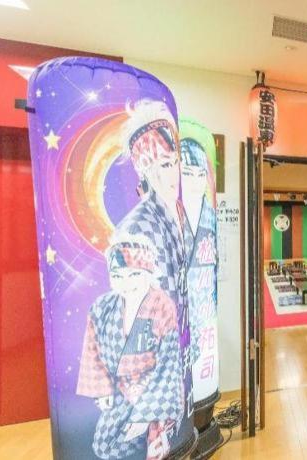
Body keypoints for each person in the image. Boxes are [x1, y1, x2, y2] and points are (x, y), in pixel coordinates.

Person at [115, 98, 192, 420]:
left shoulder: (179, 212)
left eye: (171, 161)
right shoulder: (136, 227)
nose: (170, 174)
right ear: (143, 170)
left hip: (181, 347)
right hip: (155, 358)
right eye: (159, 165)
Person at [76, 235, 183, 460]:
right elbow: (92, 350)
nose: (125, 283)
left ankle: (151, 429)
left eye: (134, 274)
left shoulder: (161, 306)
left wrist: (144, 416)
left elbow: (169, 365)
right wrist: (103, 389)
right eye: (117, 276)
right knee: (104, 444)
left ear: (149, 274)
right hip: (122, 388)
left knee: (156, 444)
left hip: (154, 387)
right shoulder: (102, 307)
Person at [179, 137, 218, 379]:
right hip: (178, 316)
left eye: (199, 173)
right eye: (186, 173)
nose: (194, 182)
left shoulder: (210, 217)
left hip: (205, 313)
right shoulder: (166, 215)